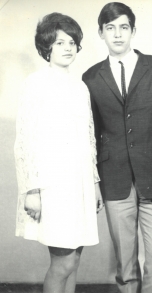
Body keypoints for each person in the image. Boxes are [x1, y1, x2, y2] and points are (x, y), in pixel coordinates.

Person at [82, 2, 152, 293]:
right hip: (114, 178)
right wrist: (92, 180)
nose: (117, 34)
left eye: (123, 27)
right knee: (125, 262)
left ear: (133, 31)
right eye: (110, 28)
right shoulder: (91, 78)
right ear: (101, 33)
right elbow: (89, 134)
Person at [14, 12, 103, 293]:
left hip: (80, 186)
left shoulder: (80, 88)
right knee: (62, 263)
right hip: (52, 185)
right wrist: (32, 189)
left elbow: (89, 140)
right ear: (46, 47)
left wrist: (95, 183)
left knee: (74, 261)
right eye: (60, 42)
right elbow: (25, 140)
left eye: (72, 42)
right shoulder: (35, 84)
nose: (67, 48)